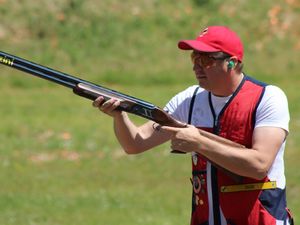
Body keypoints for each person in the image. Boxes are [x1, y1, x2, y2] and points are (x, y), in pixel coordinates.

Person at [92, 26, 293, 225]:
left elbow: (259, 165)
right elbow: (135, 144)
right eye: (194, 59)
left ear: (231, 63)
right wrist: (119, 115)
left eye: (205, 60)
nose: (196, 67)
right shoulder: (189, 99)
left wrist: (198, 143)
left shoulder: (268, 97)